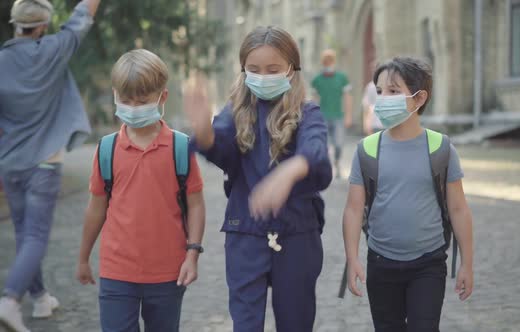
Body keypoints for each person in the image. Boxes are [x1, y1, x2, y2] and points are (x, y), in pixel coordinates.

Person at [184, 26, 331, 332]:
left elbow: (316, 151)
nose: (263, 76)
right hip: (245, 235)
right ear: (243, 71)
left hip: (297, 234)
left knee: (296, 322)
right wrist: (204, 133)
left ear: (291, 70)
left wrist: (291, 170)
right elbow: (221, 148)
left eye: (273, 69)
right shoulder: (235, 112)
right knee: (245, 324)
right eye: (254, 69)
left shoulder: (308, 112)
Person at [76, 49, 206, 332]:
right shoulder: (106, 149)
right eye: (126, 101)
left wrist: (192, 254)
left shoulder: (181, 148)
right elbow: (96, 208)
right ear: (115, 95)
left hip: (167, 274)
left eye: (143, 101)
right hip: (116, 271)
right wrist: (83, 257)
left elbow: (195, 204)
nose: (134, 108)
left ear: (163, 97)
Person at [342, 57, 474, 331]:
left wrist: (467, 265)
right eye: (379, 91)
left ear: (418, 98)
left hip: (428, 263)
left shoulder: (441, 148)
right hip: (381, 263)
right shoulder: (366, 149)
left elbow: (459, 209)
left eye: (393, 91)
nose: (383, 99)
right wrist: (352, 258)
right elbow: (354, 209)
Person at [0, 1, 100, 331]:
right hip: (43, 164)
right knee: (36, 237)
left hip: (10, 164)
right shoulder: (54, 49)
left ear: (15, 25)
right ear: (43, 26)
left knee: (24, 233)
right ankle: (11, 299)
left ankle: (41, 297)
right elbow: (82, 16)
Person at [311, 49, 352, 178]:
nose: (328, 63)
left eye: (330, 60)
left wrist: (348, 115)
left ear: (334, 61)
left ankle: (337, 162)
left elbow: (347, 97)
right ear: (323, 62)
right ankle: (327, 168)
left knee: (339, 144)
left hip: (338, 116)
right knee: (324, 145)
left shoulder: (342, 78)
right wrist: (313, 117)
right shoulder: (317, 79)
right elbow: (314, 99)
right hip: (322, 117)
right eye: (326, 61)